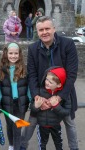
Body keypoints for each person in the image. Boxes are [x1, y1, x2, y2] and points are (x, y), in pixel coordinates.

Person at [20, 16, 79, 150]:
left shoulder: (68, 44)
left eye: (47, 28)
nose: (44, 32)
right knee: (31, 122)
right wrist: (36, 96)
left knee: (69, 123)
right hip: (42, 91)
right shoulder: (33, 48)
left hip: (64, 92)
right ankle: (22, 147)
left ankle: (74, 148)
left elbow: (72, 75)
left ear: (54, 29)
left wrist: (59, 97)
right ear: (37, 31)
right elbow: (32, 75)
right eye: (41, 30)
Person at [0, 42, 31, 150]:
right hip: (7, 103)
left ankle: (16, 147)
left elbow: (28, 86)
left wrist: (30, 99)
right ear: (6, 54)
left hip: (20, 103)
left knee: (17, 126)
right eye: (10, 53)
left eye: (15, 53)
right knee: (9, 125)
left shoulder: (24, 69)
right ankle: (11, 145)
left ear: (19, 54)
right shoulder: (1, 69)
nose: (13, 56)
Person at [32, 66, 71, 149]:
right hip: (42, 125)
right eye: (46, 79)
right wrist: (36, 106)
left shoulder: (64, 95)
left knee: (58, 143)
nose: (47, 83)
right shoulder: (40, 91)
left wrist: (56, 106)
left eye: (50, 82)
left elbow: (66, 112)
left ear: (59, 84)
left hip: (56, 125)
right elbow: (32, 108)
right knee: (42, 144)